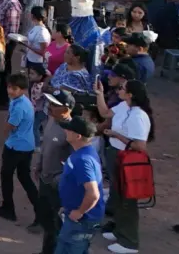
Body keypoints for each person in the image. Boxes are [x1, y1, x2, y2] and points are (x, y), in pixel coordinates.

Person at [94, 78, 154, 253]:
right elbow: (105, 113)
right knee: (117, 196)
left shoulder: (138, 116)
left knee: (127, 200)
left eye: (123, 88)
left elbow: (140, 145)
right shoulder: (123, 106)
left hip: (128, 159)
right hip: (116, 155)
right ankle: (119, 230)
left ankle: (129, 241)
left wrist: (115, 134)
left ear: (130, 94)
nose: (119, 89)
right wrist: (99, 94)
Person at [0, 72, 41, 225]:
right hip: (25, 145)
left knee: (7, 175)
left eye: (15, 88)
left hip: (16, 146)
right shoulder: (21, 101)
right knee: (24, 177)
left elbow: (10, 126)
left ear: (23, 89)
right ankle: (40, 212)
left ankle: (8, 208)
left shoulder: (19, 106)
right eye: (9, 87)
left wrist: (4, 133)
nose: (10, 91)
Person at [35, 89, 78, 254]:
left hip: (58, 186)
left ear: (66, 109)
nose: (50, 106)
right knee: (46, 221)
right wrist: (39, 165)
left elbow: (75, 163)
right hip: (44, 180)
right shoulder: (51, 120)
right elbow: (45, 145)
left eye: (54, 104)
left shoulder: (72, 132)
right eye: (50, 103)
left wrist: (59, 180)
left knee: (57, 225)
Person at [55, 116, 107, 254]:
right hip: (80, 217)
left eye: (69, 129)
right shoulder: (85, 152)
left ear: (77, 136)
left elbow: (93, 194)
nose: (65, 131)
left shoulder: (83, 160)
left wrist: (79, 212)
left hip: (82, 221)